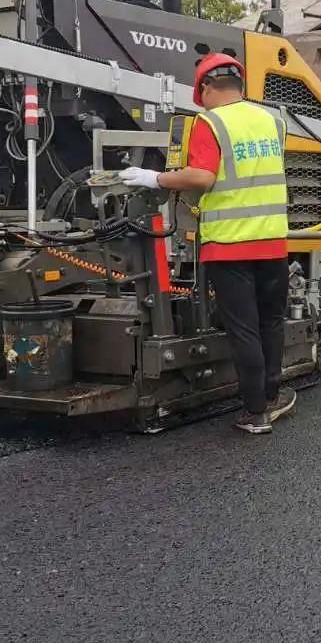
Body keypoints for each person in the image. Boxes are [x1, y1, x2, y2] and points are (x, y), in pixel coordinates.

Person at [119, 55, 296, 435]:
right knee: (271, 323)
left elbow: (202, 176)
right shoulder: (273, 121)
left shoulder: (209, 122)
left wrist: (155, 178)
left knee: (244, 329)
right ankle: (270, 397)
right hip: (273, 242)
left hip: (230, 246)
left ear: (204, 88)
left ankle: (255, 414)